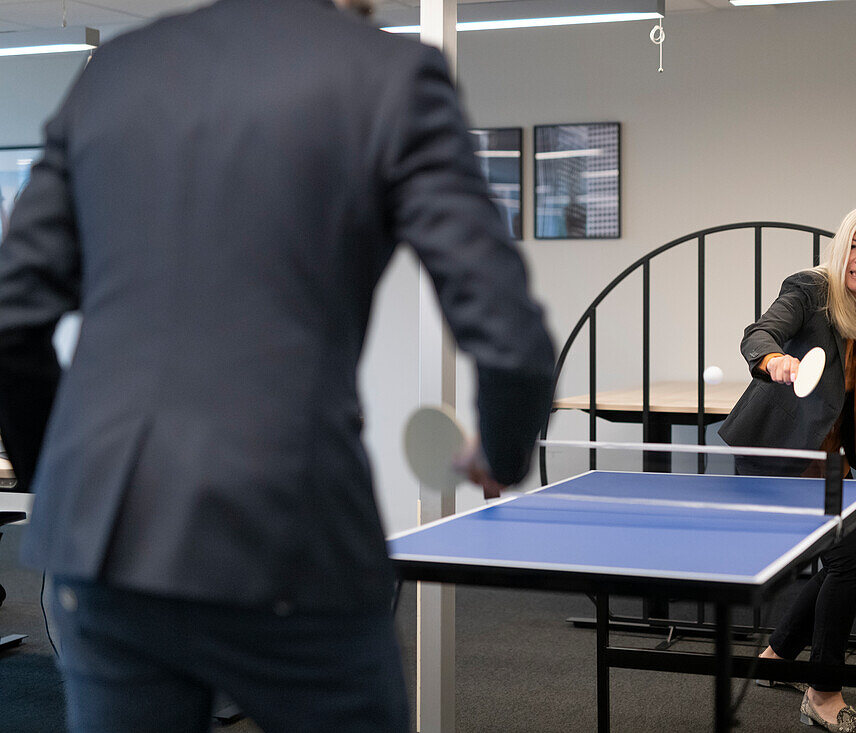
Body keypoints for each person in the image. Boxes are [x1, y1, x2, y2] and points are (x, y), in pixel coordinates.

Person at [0, 0, 555, 730]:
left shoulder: (117, 73)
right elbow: (508, 332)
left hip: (101, 536)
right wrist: (503, 451)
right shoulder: (388, 73)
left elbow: (11, 317)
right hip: (288, 526)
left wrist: (61, 478)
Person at [718, 204, 856, 733]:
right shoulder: (809, 290)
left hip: (827, 453)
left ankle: (778, 655)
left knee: (846, 564)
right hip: (779, 451)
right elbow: (760, 332)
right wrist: (774, 361)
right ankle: (822, 692)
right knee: (847, 565)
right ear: (841, 248)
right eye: (854, 246)